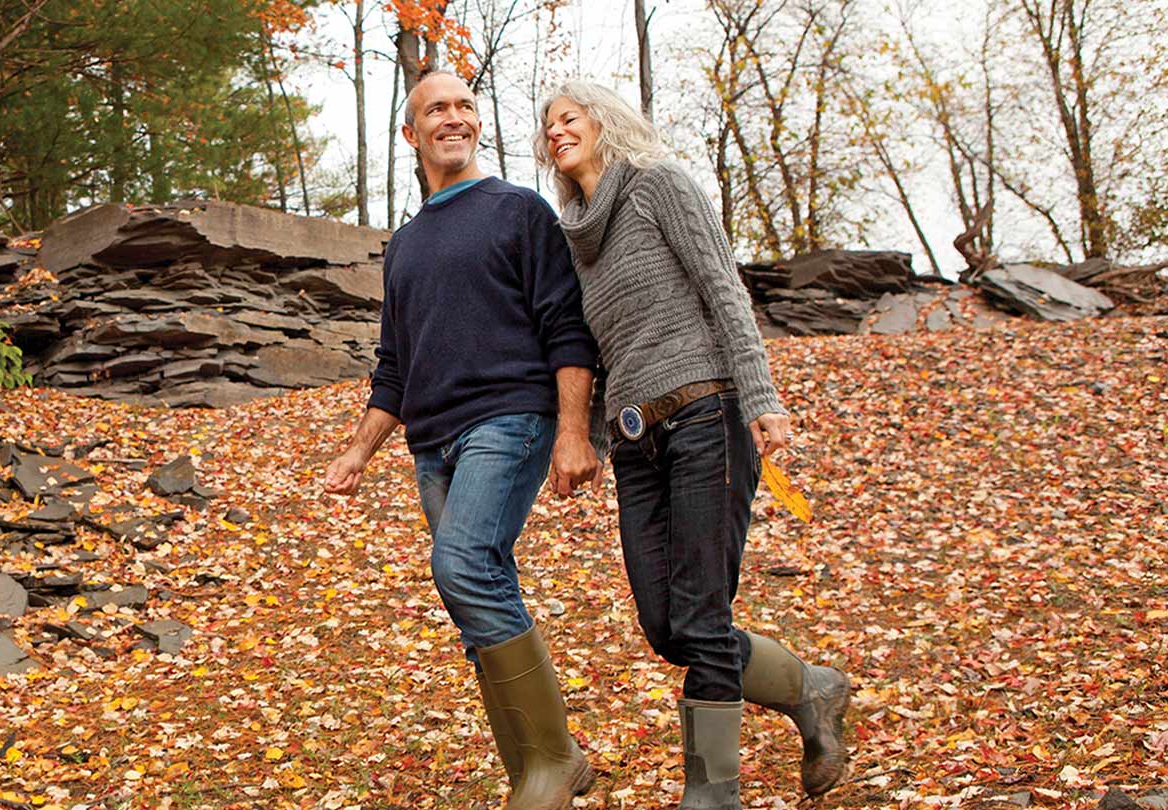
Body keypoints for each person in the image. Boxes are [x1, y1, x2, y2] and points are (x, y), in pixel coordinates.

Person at [532, 79, 852, 808]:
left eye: (569, 117)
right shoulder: (576, 233)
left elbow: (722, 287)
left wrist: (763, 397)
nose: (556, 132)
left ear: (604, 122)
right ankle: (812, 690)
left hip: (709, 414)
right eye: (547, 126)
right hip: (638, 442)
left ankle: (713, 794)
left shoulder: (657, 184)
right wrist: (579, 432)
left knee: (701, 620)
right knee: (665, 624)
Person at [322, 69, 599, 809]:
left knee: (464, 563)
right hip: (432, 444)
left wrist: (574, 431)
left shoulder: (519, 211)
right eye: (436, 109)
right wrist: (358, 449)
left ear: (477, 124)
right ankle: (545, 766)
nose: (455, 117)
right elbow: (395, 368)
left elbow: (566, 328)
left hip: (510, 418)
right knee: (473, 595)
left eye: (465, 106)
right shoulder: (406, 245)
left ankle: (547, 767)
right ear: (412, 135)